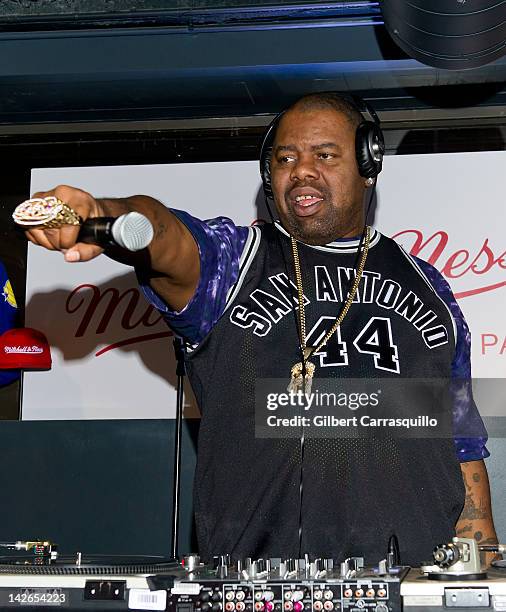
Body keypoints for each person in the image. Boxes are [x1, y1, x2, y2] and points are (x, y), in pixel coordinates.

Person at [23, 93, 497, 566]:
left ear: (368, 164)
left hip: (414, 581)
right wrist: (102, 216)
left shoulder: (428, 284)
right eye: (285, 158)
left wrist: (482, 563)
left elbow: (458, 443)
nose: (302, 170)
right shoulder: (235, 263)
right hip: (262, 581)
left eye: (324, 155)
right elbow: (166, 234)